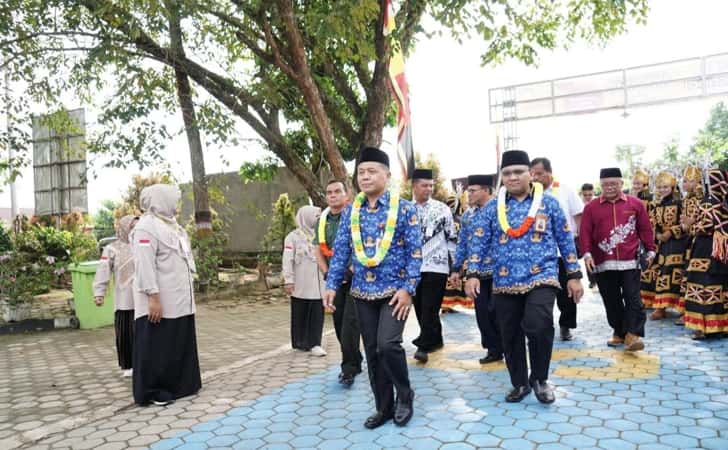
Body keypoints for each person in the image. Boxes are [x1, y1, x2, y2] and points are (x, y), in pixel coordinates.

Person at [466, 150, 584, 404]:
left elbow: (565, 239)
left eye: (518, 172)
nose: (512, 177)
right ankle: (519, 383)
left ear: (530, 174)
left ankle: (540, 379)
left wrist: (574, 275)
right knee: (509, 333)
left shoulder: (548, 202)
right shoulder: (493, 208)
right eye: (507, 173)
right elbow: (478, 241)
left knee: (539, 324)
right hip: (505, 281)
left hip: (542, 275)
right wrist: (472, 273)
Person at [323, 147, 422, 429]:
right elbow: (341, 250)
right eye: (361, 172)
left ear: (387, 176)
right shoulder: (352, 211)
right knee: (372, 351)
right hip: (362, 293)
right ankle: (384, 407)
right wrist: (331, 284)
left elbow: (415, 253)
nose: (365, 177)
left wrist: (408, 289)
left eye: (372, 172)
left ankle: (405, 394)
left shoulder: (404, 209)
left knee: (388, 345)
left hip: (395, 293)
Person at [131, 184, 201, 406]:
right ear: (161, 200)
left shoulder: (173, 226)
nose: (176, 205)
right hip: (160, 299)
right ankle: (153, 391)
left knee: (177, 341)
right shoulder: (146, 228)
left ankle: (181, 385)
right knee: (157, 346)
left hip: (179, 298)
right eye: (173, 200)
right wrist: (153, 297)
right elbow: (145, 265)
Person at [580, 168, 655, 351]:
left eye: (614, 183)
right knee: (611, 300)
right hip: (602, 261)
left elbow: (645, 229)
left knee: (633, 298)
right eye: (605, 184)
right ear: (601, 185)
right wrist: (587, 254)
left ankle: (633, 334)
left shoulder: (636, 204)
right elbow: (585, 233)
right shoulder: (591, 207)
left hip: (631, 260)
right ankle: (619, 332)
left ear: (622, 183)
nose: (610, 187)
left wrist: (651, 251)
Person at [313, 180, 362, 384]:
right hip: (334, 280)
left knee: (351, 323)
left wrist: (350, 269)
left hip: (355, 277)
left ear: (346, 195)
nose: (333, 195)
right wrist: (328, 273)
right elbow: (318, 249)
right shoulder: (321, 220)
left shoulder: (356, 215)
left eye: (337, 191)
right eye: (329, 192)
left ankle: (349, 368)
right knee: (340, 322)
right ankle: (355, 358)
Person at [530, 157, 584, 341]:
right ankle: (542, 327)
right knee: (541, 293)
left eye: (539, 173)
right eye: (532, 174)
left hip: (563, 252)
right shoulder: (529, 195)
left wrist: (581, 244)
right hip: (540, 255)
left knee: (566, 293)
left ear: (549, 172)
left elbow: (578, 218)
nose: (535, 177)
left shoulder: (565, 191)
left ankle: (566, 325)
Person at [454, 174, 503, 364]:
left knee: (501, 313)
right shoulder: (468, 215)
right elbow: (462, 244)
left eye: (473, 191)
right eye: (468, 191)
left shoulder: (501, 209)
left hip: (501, 273)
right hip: (477, 274)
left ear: (486, 190)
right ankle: (493, 349)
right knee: (483, 313)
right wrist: (456, 268)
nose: (469, 194)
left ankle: (508, 346)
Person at [410, 168, 457, 364]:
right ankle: (435, 339)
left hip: (437, 266)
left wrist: (455, 267)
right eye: (424, 185)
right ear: (414, 186)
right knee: (420, 307)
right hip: (413, 267)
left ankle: (423, 346)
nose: (429, 189)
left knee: (430, 306)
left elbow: (452, 237)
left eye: (431, 185)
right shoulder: (405, 208)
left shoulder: (442, 209)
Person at [682, 169, 728, 339]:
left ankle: (703, 327)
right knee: (721, 286)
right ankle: (721, 326)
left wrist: (690, 227)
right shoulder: (723, 200)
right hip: (722, 250)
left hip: (706, 248)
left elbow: (707, 225)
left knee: (702, 285)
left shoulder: (710, 200)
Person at [93, 215, 138, 378]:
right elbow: (103, 269)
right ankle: (128, 365)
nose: (135, 230)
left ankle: (145, 363)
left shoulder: (143, 246)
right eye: (132, 227)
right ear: (124, 228)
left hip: (144, 298)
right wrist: (99, 292)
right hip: (124, 299)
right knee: (126, 332)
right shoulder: (111, 249)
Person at [641, 171, 688, 320]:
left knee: (678, 274)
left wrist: (672, 232)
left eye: (665, 186)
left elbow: (686, 224)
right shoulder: (656, 205)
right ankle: (661, 307)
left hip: (679, 243)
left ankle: (682, 309)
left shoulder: (680, 202)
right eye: (660, 187)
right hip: (662, 244)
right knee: (662, 272)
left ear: (673, 186)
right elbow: (651, 222)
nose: (662, 189)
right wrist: (657, 234)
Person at [283, 205, 327, 356]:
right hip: (301, 283)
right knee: (299, 311)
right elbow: (287, 260)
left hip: (319, 283)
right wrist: (288, 279)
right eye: (316, 216)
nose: (318, 219)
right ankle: (299, 342)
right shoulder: (293, 237)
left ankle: (315, 343)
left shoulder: (321, 235)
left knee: (316, 312)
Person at [675, 165, 703, 325]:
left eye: (689, 181)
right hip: (690, 241)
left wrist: (689, 224)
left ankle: (690, 312)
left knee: (693, 277)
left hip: (699, 239)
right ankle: (686, 311)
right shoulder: (686, 199)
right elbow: (685, 223)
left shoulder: (700, 200)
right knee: (687, 275)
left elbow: (695, 220)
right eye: (684, 181)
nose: (685, 184)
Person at [441, 193, 474, 311]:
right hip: (458, 252)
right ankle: (452, 303)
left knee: (450, 277)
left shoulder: (445, 219)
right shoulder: (460, 218)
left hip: (448, 253)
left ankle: (446, 305)